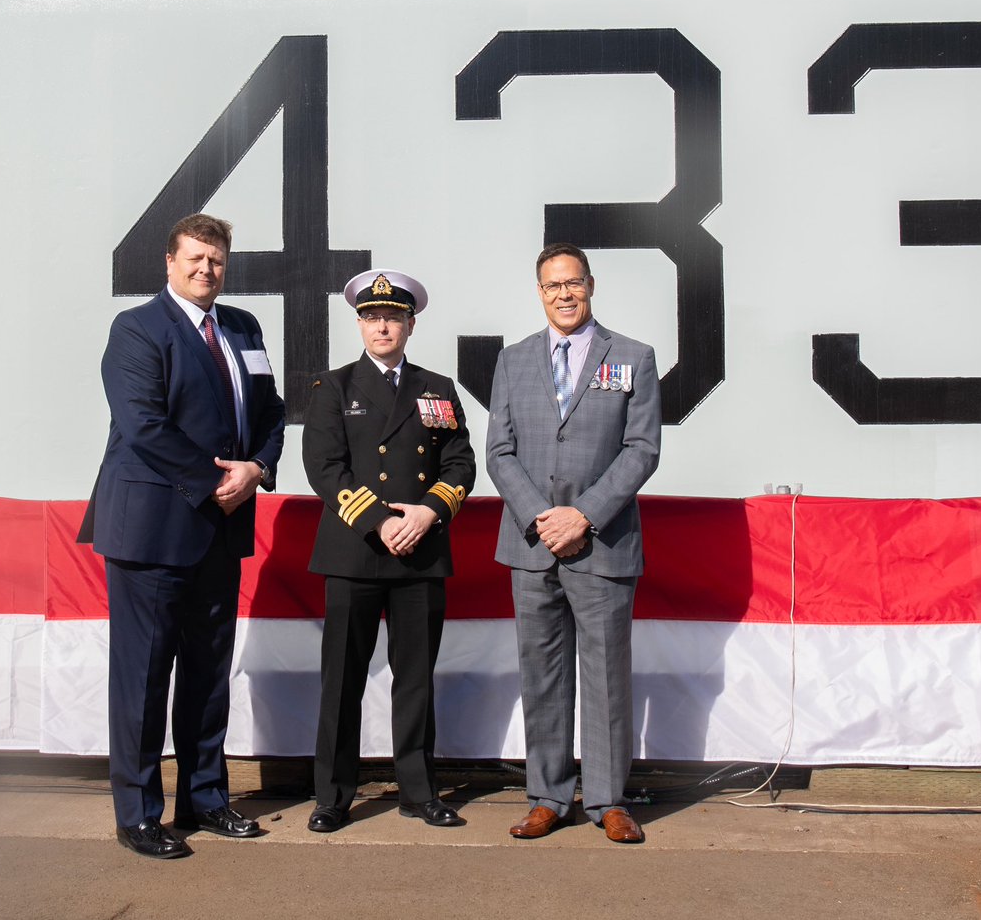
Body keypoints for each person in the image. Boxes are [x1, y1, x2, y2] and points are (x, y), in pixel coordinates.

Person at [79, 213, 286, 859]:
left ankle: (204, 796)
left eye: (217, 259)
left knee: (206, 673)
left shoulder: (243, 329)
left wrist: (258, 468)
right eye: (195, 257)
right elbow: (142, 426)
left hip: (221, 531)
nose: (206, 269)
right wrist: (215, 481)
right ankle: (138, 812)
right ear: (169, 262)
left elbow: (272, 411)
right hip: (152, 530)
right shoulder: (137, 329)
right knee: (142, 677)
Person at [486, 242, 661, 843]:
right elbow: (499, 452)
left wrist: (583, 515)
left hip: (603, 542)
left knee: (608, 673)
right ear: (539, 292)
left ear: (591, 285)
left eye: (574, 283)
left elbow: (643, 450)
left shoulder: (634, 357)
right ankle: (548, 796)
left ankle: (609, 799)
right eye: (552, 285)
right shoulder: (512, 361)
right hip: (532, 546)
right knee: (542, 673)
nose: (564, 294)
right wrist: (543, 517)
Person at [302, 270, 475, 832]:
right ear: (359, 324)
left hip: (421, 548)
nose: (383, 326)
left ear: (410, 324)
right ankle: (332, 796)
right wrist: (379, 521)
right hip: (355, 550)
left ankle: (419, 792)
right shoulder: (333, 388)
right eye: (373, 317)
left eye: (394, 317)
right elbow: (324, 468)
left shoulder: (437, 388)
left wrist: (428, 512)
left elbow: (460, 464)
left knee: (417, 678)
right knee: (343, 681)